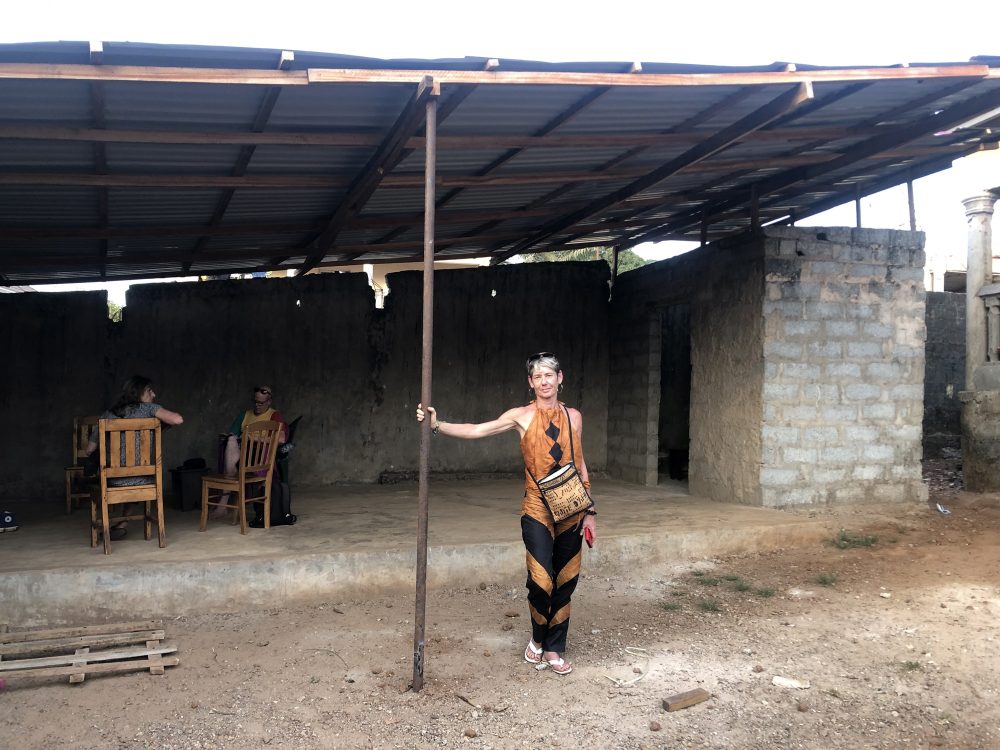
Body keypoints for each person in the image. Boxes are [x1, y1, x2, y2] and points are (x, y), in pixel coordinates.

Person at [416, 352, 597, 675]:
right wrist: (437, 425)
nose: (544, 382)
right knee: (541, 580)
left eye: (549, 375)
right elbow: (478, 430)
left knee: (566, 580)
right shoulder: (521, 416)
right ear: (531, 382)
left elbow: (579, 462)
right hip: (537, 508)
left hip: (572, 509)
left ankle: (554, 647)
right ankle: (538, 638)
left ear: (560, 378)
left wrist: (591, 511)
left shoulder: (574, 417)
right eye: (538, 377)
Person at [86, 375, 184, 540]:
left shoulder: (107, 415)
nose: (154, 394)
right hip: (143, 479)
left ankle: (119, 524)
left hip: (113, 480)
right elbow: (178, 419)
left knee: (119, 476)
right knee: (135, 477)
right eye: (149, 390)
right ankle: (123, 523)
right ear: (138, 393)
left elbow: (90, 450)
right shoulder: (149, 409)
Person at [216, 384, 289, 524]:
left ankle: (229, 501)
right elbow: (233, 433)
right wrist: (232, 437)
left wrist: (255, 439)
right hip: (242, 454)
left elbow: (281, 439)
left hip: (261, 456)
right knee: (230, 441)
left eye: (261, 403)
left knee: (240, 453)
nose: (257, 405)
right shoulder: (244, 415)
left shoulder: (274, 415)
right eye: (255, 402)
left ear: (269, 401)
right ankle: (223, 504)